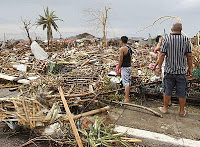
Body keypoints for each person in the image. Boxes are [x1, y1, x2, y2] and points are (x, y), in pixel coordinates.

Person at [157, 22, 193, 116]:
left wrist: (159, 67)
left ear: (171, 29)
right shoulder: (186, 39)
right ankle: (181, 111)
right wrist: (190, 68)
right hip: (181, 71)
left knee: (167, 90)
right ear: (181, 30)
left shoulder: (167, 38)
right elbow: (189, 56)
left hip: (169, 70)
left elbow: (162, 54)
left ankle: (165, 108)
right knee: (182, 91)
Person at [153, 35, 172, 106]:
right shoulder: (167, 46)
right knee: (168, 85)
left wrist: (160, 41)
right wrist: (155, 66)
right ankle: (168, 101)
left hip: (166, 67)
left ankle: (168, 102)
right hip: (168, 67)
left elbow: (157, 49)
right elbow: (159, 58)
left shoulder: (164, 47)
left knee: (166, 85)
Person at [117, 36, 133, 103]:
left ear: (121, 41)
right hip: (129, 67)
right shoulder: (129, 48)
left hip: (125, 67)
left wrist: (118, 68)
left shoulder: (122, 49)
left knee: (126, 83)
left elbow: (121, 60)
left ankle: (126, 99)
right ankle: (127, 96)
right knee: (128, 82)